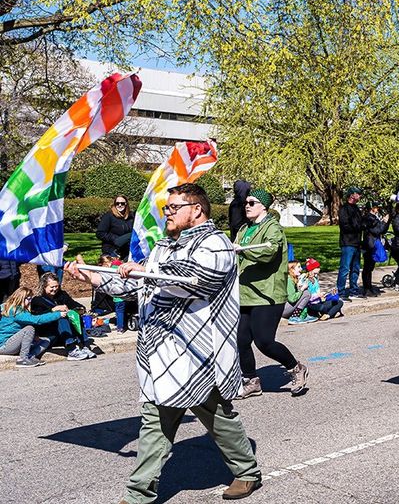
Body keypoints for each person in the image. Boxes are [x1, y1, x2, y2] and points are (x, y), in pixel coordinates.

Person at [65, 183, 262, 503]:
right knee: (157, 421)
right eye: (166, 208)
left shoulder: (217, 244)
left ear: (196, 210)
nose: (167, 213)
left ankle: (246, 471)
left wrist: (147, 269)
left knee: (216, 416)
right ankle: (139, 493)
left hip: (199, 351)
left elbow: (197, 280)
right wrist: (96, 278)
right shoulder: (166, 245)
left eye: (173, 207)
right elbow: (138, 285)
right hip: (163, 351)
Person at [235, 188, 308, 398]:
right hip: (246, 293)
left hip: (268, 294)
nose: (247, 206)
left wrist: (243, 250)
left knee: (264, 341)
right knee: (241, 340)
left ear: (263, 206)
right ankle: (251, 380)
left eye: (252, 202)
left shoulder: (273, 228)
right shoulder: (244, 229)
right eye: (246, 202)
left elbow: (270, 251)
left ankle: (296, 368)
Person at [31, 272, 94, 360]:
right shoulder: (37, 300)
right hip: (48, 332)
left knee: (76, 315)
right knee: (61, 317)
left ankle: (84, 345)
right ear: (44, 287)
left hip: (64, 332)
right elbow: (36, 317)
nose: (54, 289)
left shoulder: (62, 295)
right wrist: (53, 310)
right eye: (51, 287)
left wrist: (79, 309)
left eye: (56, 286)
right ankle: (71, 349)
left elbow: (73, 304)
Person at [0, 287, 59, 367]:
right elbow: (36, 320)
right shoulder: (16, 311)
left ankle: (30, 356)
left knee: (46, 340)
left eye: (31, 298)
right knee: (29, 328)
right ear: (21, 298)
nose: (30, 301)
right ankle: (23, 359)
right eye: (28, 298)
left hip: (14, 343)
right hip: (4, 345)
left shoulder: (20, 310)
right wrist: (58, 314)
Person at [337, 187, 363, 299]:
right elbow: (345, 225)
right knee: (345, 268)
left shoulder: (357, 209)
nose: (360, 196)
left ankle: (354, 290)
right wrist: (357, 227)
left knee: (355, 268)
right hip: (348, 242)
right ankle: (341, 291)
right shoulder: (344, 209)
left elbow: (360, 223)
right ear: (352, 195)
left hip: (357, 242)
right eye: (358, 194)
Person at [91, 255, 128, 333]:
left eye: (108, 262)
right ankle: (121, 325)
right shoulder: (116, 267)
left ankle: (120, 328)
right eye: (106, 262)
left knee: (119, 311)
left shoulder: (113, 268)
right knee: (120, 311)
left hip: (119, 295)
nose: (108, 264)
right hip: (121, 294)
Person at [360, 201, 389, 298]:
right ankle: (366, 288)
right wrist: (384, 222)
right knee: (367, 268)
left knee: (370, 267)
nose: (377, 209)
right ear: (372, 208)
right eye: (376, 207)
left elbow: (382, 230)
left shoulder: (372, 218)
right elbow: (377, 230)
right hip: (369, 245)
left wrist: (385, 222)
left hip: (371, 244)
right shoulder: (369, 218)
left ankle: (369, 287)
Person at [96, 195, 135, 259]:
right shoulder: (109, 216)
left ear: (126, 204)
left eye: (122, 203)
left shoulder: (131, 217)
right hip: (112, 250)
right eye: (117, 203)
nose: (120, 205)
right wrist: (115, 239)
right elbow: (100, 233)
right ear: (114, 204)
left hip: (126, 251)